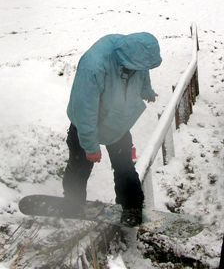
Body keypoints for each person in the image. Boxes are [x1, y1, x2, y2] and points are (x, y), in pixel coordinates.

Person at [63, 32, 162, 226]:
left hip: (117, 121)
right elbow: (85, 110)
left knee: (124, 166)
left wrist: (145, 90)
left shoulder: (135, 53)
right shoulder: (94, 66)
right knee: (80, 165)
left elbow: (142, 71)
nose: (142, 69)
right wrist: (91, 147)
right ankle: (72, 204)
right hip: (86, 122)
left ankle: (131, 207)